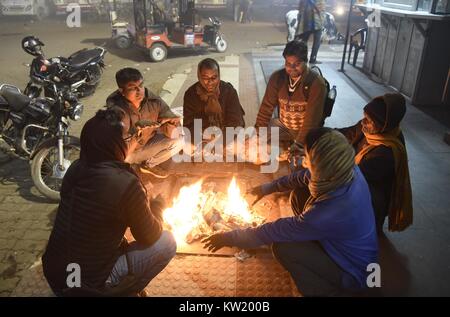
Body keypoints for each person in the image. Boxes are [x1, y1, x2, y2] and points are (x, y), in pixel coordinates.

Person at [202, 128, 378, 296]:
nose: (304, 161)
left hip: (355, 273)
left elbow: (270, 232)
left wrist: (227, 237)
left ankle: (325, 292)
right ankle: (312, 243)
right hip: (347, 246)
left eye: (307, 157)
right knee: (299, 194)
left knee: (284, 247)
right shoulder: (345, 168)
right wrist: (266, 188)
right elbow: (304, 176)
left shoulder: (329, 211)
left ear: (321, 164)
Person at [42, 109, 177, 297]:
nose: (134, 140)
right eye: (130, 136)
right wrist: (157, 207)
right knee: (167, 242)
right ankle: (118, 291)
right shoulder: (126, 183)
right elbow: (149, 236)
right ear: (115, 145)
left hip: (55, 274)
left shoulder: (76, 168)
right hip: (87, 285)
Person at [337, 93, 413, 233]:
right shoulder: (371, 129)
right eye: (364, 116)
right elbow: (346, 133)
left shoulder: (386, 152)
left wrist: (320, 166)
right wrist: (318, 137)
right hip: (357, 178)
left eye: (368, 120)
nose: (362, 122)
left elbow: (352, 176)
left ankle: (368, 226)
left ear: (383, 125)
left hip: (371, 198)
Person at [106, 68, 183, 178]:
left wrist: (172, 123)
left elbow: (170, 134)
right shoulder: (116, 111)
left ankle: (148, 165)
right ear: (122, 91)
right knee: (118, 163)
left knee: (179, 139)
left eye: (141, 85)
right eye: (132, 88)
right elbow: (122, 149)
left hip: (148, 143)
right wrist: (137, 129)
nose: (139, 91)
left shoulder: (153, 101)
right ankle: (129, 169)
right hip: (127, 153)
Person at [255, 40, 326, 146]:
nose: (292, 68)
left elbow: (312, 120)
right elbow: (266, 107)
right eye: (288, 63)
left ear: (305, 61)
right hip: (283, 126)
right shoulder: (277, 78)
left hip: (306, 130)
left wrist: (299, 144)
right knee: (259, 142)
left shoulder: (316, 83)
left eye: (297, 64)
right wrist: (257, 134)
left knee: (308, 155)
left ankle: (293, 147)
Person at [183, 58, 245, 139]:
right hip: (203, 138)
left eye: (214, 77)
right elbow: (189, 124)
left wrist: (221, 140)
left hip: (227, 138)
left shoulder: (229, 91)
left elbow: (236, 122)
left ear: (219, 76)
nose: (210, 82)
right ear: (199, 76)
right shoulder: (191, 94)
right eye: (205, 78)